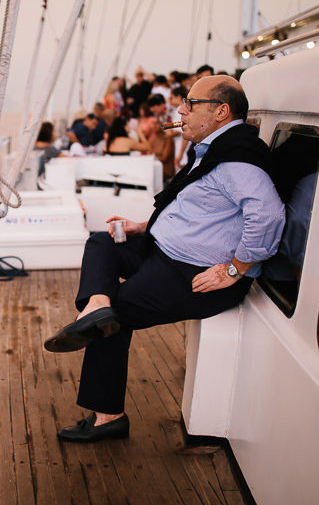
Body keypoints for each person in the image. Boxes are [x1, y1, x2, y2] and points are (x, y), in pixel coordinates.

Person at [43, 75, 285, 442]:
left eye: (191, 103)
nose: (181, 110)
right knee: (101, 242)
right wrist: (143, 225)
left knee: (115, 319)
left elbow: (268, 216)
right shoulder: (215, 148)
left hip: (193, 272)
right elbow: (198, 208)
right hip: (163, 250)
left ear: (221, 111)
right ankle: (95, 303)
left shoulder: (237, 160)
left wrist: (236, 268)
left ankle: (108, 417)